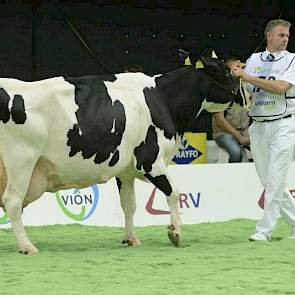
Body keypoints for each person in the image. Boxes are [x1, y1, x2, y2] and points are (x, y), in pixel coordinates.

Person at [232, 19, 295, 241]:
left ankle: (264, 231)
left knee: (276, 179)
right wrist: (236, 72)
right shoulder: (254, 59)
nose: (286, 38)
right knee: (269, 182)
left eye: (287, 35)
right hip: (257, 126)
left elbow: (280, 88)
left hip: (284, 124)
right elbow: (246, 88)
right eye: (281, 35)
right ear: (269, 36)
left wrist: (246, 75)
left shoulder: (292, 60)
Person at [212, 57, 250, 163]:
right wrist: (239, 137)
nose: (240, 69)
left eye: (241, 67)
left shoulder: (246, 88)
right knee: (236, 152)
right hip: (224, 133)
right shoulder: (221, 90)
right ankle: (232, 177)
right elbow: (219, 120)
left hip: (245, 132)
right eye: (236, 67)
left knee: (264, 149)